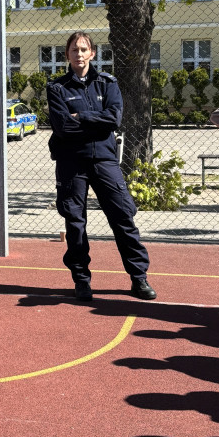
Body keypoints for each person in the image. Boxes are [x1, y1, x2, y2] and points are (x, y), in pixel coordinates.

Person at [46, 31, 157, 302]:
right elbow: (63, 127)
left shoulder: (107, 83)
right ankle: (81, 280)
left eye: (84, 49)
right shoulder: (57, 88)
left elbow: (114, 119)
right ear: (67, 55)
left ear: (92, 53)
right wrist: (96, 121)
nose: (79, 54)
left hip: (105, 160)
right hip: (72, 163)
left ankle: (139, 277)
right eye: (74, 50)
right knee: (75, 222)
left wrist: (81, 116)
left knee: (123, 217)